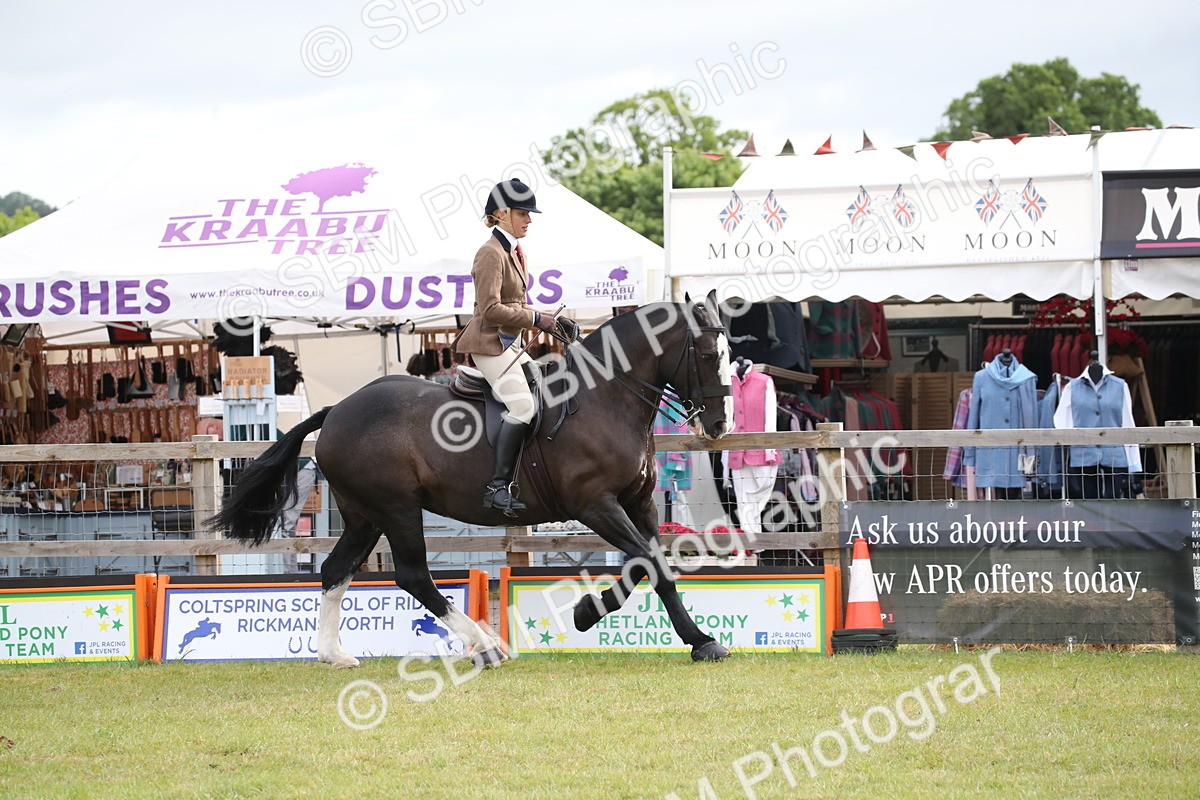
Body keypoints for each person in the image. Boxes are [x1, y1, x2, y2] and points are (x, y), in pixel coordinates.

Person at [451, 179, 575, 516]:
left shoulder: (514, 251)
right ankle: (497, 488)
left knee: (540, 387)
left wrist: (552, 319)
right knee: (522, 407)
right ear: (502, 213)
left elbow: (517, 303)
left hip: (509, 344)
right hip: (489, 344)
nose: (529, 220)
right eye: (523, 213)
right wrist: (537, 319)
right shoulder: (490, 253)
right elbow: (489, 310)